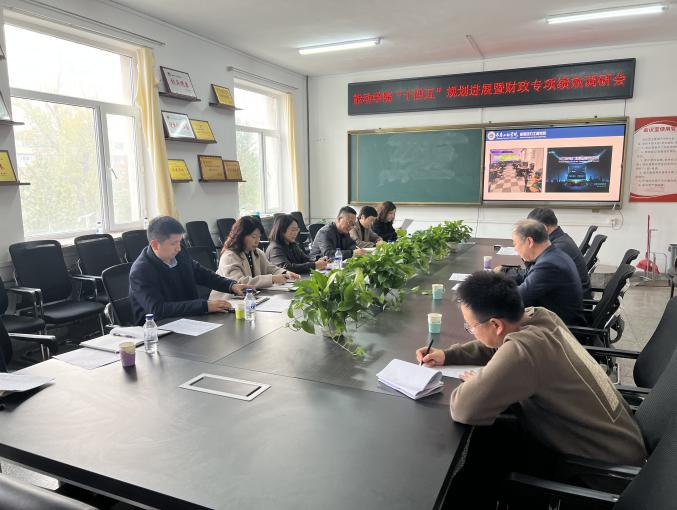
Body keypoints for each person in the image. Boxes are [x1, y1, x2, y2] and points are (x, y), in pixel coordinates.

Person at [416, 271, 646, 509]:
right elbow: (498, 345)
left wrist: (480, 382)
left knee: (481, 466)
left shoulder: (525, 351)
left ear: (495, 324)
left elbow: (466, 409)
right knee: (488, 440)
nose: (471, 331)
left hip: (601, 474)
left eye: (471, 327)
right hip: (614, 444)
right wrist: (449, 355)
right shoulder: (540, 316)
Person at [129, 216, 246, 325]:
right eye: (173, 243)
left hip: (190, 319)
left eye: (179, 242)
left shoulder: (180, 254)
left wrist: (231, 286)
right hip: (159, 329)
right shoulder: (141, 271)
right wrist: (204, 306)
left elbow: (202, 274)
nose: (178, 248)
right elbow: (158, 309)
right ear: (155, 245)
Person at [498, 219, 586, 326]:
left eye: (515, 244)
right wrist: (502, 273)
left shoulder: (548, 265)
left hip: (561, 329)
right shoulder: (553, 254)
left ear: (529, 242)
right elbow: (528, 276)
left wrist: (491, 291)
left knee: (499, 324)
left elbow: (518, 298)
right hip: (556, 320)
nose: (515, 249)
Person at [211, 216, 299, 297]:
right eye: (254, 237)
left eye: (259, 237)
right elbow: (239, 282)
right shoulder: (229, 256)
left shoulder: (257, 252)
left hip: (249, 297)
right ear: (241, 236)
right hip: (227, 300)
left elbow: (270, 268)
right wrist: (272, 279)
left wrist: (285, 273)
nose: (257, 241)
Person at [527, 208, 592, 298]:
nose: (529, 234)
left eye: (531, 230)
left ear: (544, 228)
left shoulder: (559, 248)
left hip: (571, 301)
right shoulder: (561, 240)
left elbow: (534, 277)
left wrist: (527, 255)